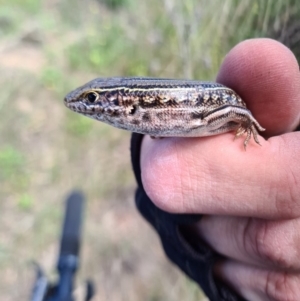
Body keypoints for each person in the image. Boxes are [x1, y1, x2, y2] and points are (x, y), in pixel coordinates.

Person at [130, 38, 300, 301]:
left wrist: (247, 122)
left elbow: (233, 109)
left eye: (93, 99)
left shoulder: (201, 113)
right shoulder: (161, 119)